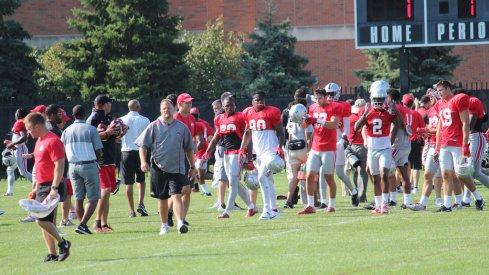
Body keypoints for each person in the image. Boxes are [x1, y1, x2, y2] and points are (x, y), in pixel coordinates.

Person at [135, 99, 195, 234]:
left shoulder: (182, 127)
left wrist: (192, 166)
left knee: (177, 194)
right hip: (158, 168)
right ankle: (164, 225)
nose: (166, 110)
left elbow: (189, 149)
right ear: (160, 110)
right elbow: (142, 146)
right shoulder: (153, 126)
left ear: (174, 109)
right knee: (162, 199)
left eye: (168, 108)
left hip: (177, 169)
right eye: (163, 108)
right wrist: (143, 161)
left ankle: (180, 223)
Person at [24, 112, 71, 262]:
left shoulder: (53, 140)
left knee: (40, 219)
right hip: (42, 186)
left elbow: (60, 164)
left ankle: (63, 243)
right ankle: (52, 253)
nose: (28, 132)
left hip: (52, 185)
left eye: (29, 129)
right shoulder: (39, 141)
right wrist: (36, 185)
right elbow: (39, 165)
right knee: (46, 222)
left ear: (37, 126)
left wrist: (54, 188)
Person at [203, 95, 258, 218]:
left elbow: (248, 137)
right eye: (227, 105)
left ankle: (227, 211)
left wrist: (249, 158)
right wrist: (208, 151)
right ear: (223, 106)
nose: (229, 107)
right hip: (226, 153)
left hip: (238, 153)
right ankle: (251, 207)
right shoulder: (219, 118)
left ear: (235, 105)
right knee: (235, 183)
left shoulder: (240, 117)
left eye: (231, 105)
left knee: (233, 183)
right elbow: (216, 137)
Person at [354, 81, 404, 214]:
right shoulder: (368, 113)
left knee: (384, 175)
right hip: (372, 149)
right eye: (376, 99)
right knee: (375, 178)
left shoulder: (388, 112)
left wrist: (395, 109)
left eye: (381, 99)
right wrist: (364, 115)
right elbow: (356, 127)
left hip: (385, 149)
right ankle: (377, 204)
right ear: (371, 100)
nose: (378, 102)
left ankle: (384, 204)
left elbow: (399, 124)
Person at [433, 80, 484, 212]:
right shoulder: (439, 104)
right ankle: (447, 205)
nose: (439, 93)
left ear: (448, 88)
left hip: (457, 142)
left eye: (441, 90)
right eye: (437, 91)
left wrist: (465, 144)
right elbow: (439, 127)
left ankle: (478, 198)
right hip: (445, 143)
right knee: (446, 174)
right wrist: (437, 147)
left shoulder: (458, 100)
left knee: (461, 174)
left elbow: (465, 123)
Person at [240, 91, 285, 220]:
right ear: (252, 101)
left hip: (270, 152)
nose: (260, 102)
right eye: (257, 100)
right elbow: (247, 133)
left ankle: (266, 209)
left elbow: (281, 132)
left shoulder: (272, 112)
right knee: (268, 180)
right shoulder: (248, 113)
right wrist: (242, 149)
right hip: (259, 153)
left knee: (261, 177)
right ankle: (274, 210)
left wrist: (279, 147)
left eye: (262, 100)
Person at [297, 88, 341, 214]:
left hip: (328, 147)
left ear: (326, 96)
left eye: (320, 98)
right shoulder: (312, 108)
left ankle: (331, 205)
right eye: (316, 98)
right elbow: (305, 125)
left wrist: (317, 120)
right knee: (309, 176)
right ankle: (310, 205)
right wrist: (302, 121)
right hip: (316, 147)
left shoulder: (334, 107)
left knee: (328, 177)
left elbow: (333, 125)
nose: (317, 101)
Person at [87, 94, 126, 232]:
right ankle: (97, 222)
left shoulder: (107, 117)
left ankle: (104, 223)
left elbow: (113, 137)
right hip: (100, 160)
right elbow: (89, 136)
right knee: (105, 190)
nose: (111, 105)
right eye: (109, 103)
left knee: (108, 192)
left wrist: (121, 131)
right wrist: (107, 133)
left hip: (110, 158)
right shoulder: (94, 118)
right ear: (103, 104)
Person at [61, 105, 103, 235]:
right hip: (88, 164)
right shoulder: (91, 129)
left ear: (73, 116)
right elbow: (99, 151)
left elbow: (61, 150)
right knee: (93, 198)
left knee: (78, 198)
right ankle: (83, 224)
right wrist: (97, 160)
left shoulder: (66, 131)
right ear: (85, 115)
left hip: (73, 166)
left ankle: (82, 225)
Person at [167, 92, 203, 227]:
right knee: (183, 188)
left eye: (190, 103)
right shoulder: (174, 118)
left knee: (187, 190)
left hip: (188, 159)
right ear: (179, 104)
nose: (190, 105)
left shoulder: (192, 119)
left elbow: (192, 141)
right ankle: (170, 212)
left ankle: (181, 217)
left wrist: (194, 156)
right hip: (176, 159)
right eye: (187, 103)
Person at [324, 83, 359, 206]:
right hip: (325, 141)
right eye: (328, 94)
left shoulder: (343, 106)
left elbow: (347, 124)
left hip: (337, 140)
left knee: (339, 173)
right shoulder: (323, 106)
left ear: (337, 93)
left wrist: (344, 137)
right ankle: (324, 201)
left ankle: (354, 192)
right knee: (323, 171)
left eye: (332, 94)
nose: (329, 96)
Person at [452, 88, 489, 205]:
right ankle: (466, 199)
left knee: (473, 171)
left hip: (475, 138)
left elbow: (470, 124)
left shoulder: (472, 101)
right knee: (469, 170)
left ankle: (467, 198)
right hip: (469, 138)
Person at [409, 91, 443, 210]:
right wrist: (426, 130)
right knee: (428, 174)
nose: (430, 99)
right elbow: (431, 127)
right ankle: (422, 203)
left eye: (431, 97)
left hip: (445, 145)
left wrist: (425, 130)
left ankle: (463, 200)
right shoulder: (430, 111)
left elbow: (442, 129)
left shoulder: (442, 109)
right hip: (433, 144)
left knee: (453, 176)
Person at [120, 99, 151, 218]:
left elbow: (118, 137)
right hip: (140, 152)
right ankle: (141, 203)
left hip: (126, 152)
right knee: (141, 179)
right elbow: (148, 137)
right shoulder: (145, 119)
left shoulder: (122, 119)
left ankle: (132, 211)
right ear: (138, 107)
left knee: (128, 183)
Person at [386, 88, 414, 208]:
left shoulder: (394, 108)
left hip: (396, 144)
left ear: (390, 98)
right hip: (406, 144)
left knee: (386, 171)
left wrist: (389, 143)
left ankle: (387, 199)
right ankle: (406, 201)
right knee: (403, 174)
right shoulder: (407, 110)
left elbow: (396, 126)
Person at [284, 98, 312, 208]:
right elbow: (308, 138)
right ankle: (311, 200)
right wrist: (310, 152)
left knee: (293, 177)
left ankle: (289, 200)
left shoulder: (291, 120)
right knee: (309, 176)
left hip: (292, 149)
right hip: (303, 149)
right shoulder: (306, 119)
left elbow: (290, 137)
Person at [4, 108, 33, 197]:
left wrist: (12, 143)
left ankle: (41, 185)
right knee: (10, 169)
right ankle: (9, 191)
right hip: (17, 148)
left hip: (21, 149)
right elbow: (19, 136)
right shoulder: (23, 122)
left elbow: (24, 137)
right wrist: (12, 143)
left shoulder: (20, 122)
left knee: (23, 172)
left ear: (18, 115)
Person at [402, 94, 426, 195]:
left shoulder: (401, 113)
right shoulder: (416, 114)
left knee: (405, 164)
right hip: (415, 141)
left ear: (403, 103)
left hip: (404, 141)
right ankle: (415, 186)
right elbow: (423, 127)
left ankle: (407, 184)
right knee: (415, 165)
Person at [348, 99, 369, 203]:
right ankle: (362, 196)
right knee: (363, 173)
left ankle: (356, 192)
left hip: (352, 146)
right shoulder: (366, 118)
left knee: (355, 172)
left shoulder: (350, 118)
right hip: (362, 147)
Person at [190, 107, 214, 196]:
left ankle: (218, 177)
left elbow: (202, 141)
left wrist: (194, 151)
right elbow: (211, 134)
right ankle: (206, 192)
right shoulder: (203, 123)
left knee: (200, 175)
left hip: (201, 152)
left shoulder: (197, 124)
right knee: (197, 173)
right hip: (201, 151)